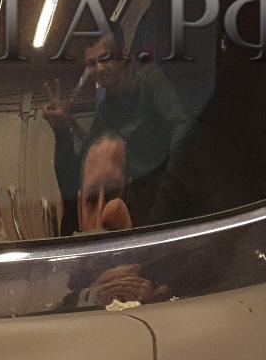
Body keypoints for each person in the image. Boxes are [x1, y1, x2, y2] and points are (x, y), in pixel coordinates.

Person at [44, 24, 190, 232]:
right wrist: (62, 133)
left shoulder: (149, 79)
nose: (99, 69)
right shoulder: (105, 110)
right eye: (92, 64)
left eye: (104, 58)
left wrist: (169, 189)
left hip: (166, 204)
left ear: (124, 55)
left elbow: (181, 127)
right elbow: (78, 175)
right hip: (130, 210)